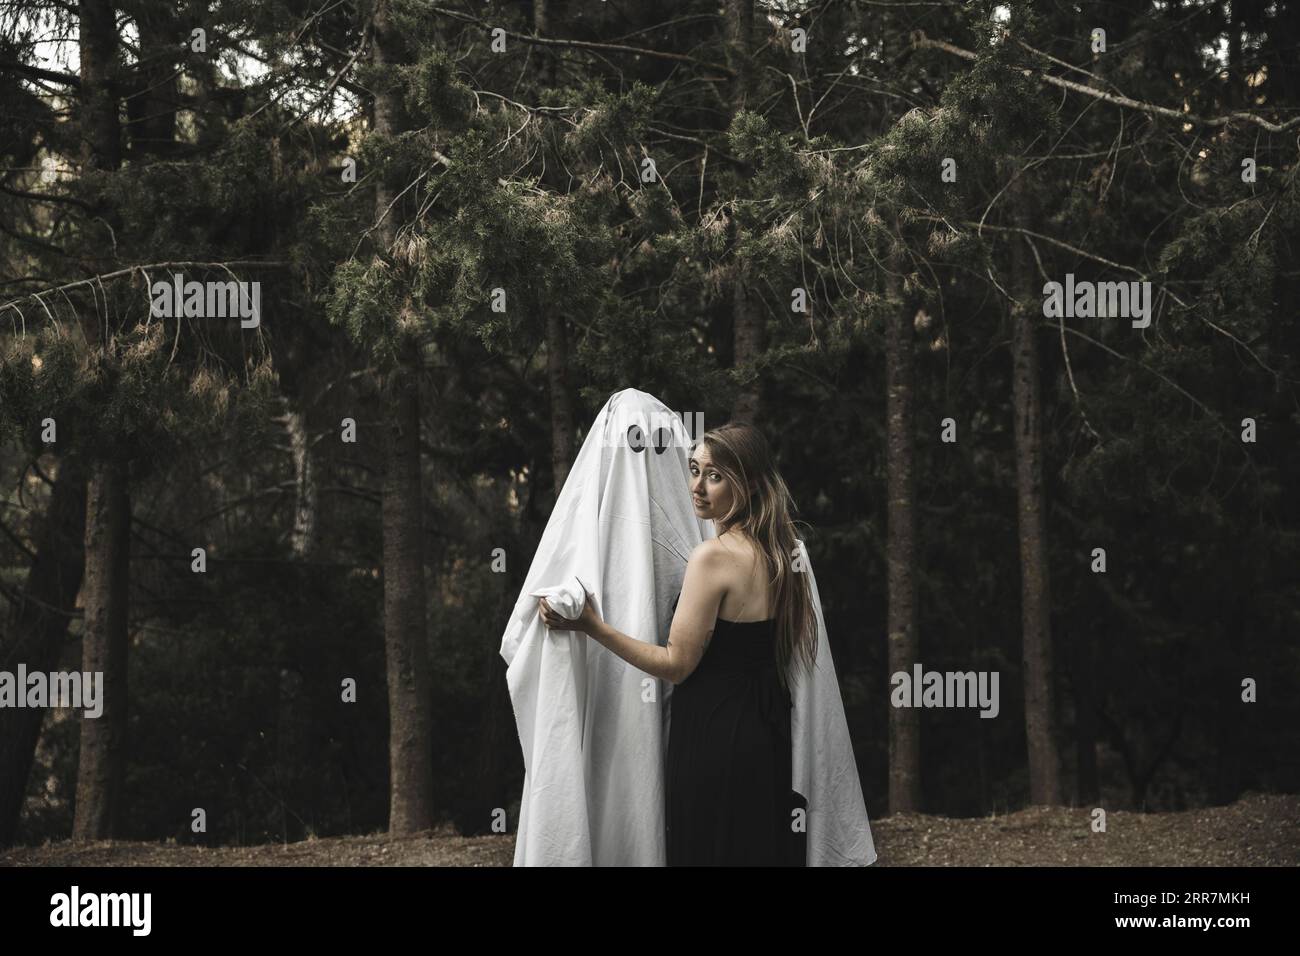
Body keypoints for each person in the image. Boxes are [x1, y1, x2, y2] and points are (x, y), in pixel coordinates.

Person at [539, 422, 832, 865]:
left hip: (715, 735)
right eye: (693, 470)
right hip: (768, 730)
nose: (696, 486)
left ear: (749, 484)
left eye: (714, 476)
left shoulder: (713, 557)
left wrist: (592, 627)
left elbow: (677, 664)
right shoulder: (783, 550)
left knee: (709, 845)